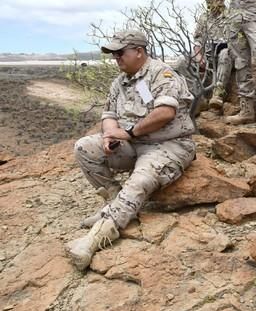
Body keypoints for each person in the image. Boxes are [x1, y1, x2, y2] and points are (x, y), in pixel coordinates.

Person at [66, 30, 196, 270]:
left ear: (139, 51)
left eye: (120, 52)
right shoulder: (120, 82)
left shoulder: (162, 74)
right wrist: (109, 135)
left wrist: (129, 133)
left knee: (140, 180)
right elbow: (109, 115)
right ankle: (115, 204)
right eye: (113, 53)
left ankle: (94, 239)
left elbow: (165, 112)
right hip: (133, 143)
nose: (116, 57)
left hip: (169, 144)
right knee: (84, 147)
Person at [195, 0, 233, 110]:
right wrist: (199, 56)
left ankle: (218, 93)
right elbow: (198, 40)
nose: (208, 0)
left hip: (226, 55)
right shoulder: (203, 17)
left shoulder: (231, 16)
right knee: (182, 62)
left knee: (225, 53)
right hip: (208, 56)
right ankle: (197, 98)